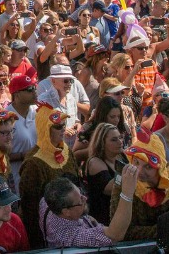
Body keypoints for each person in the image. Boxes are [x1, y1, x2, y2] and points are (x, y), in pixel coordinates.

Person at [110, 132, 169, 240]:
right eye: (136, 162)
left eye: (148, 166)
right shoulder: (124, 181)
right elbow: (121, 231)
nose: (139, 171)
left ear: (160, 168)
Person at [18, 103, 80, 248]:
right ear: (45, 129)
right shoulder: (34, 162)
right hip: (48, 231)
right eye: (58, 126)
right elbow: (30, 208)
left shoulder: (67, 151)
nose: (63, 128)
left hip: (73, 221)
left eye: (64, 124)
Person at [40, 164, 138, 248]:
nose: (85, 198)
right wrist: (127, 192)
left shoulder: (48, 200)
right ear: (66, 212)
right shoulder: (69, 237)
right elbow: (115, 235)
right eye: (80, 201)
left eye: (81, 193)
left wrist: (86, 218)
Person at [84, 122, 125, 224]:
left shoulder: (121, 156)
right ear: (102, 143)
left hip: (118, 213)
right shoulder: (95, 162)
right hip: (103, 219)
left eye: (120, 137)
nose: (120, 142)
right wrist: (132, 171)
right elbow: (110, 189)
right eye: (114, 140)